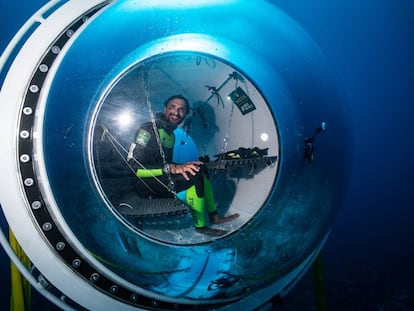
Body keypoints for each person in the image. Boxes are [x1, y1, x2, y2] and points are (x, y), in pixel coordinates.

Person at [127, 94, 239, 236]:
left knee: (200, 168)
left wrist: (184, 165)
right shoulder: (148, 129)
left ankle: (214, 217)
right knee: (195, 175)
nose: (176, 112)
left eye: (181, 110)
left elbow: (163, 162)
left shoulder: (171, 135)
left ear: (185, 114)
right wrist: (172, 168)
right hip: (143, 184)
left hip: (159, 180)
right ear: (165, 108)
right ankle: (200, 226)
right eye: (172, 107)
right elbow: (134, 167)